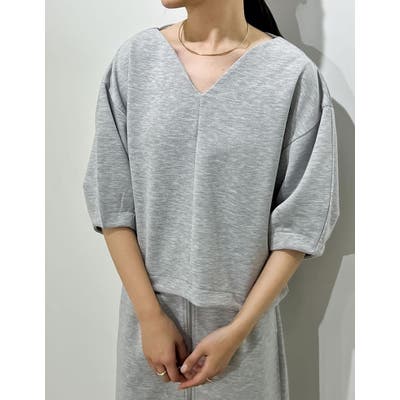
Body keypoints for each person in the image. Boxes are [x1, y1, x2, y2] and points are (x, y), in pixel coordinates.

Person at [82, 1, 340, 399]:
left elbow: (301, 223)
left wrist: (238, 331)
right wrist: (150, 317)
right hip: (151, 340)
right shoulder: (136, 62)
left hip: (242, 344)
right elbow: (112, 199)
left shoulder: (290, 75)